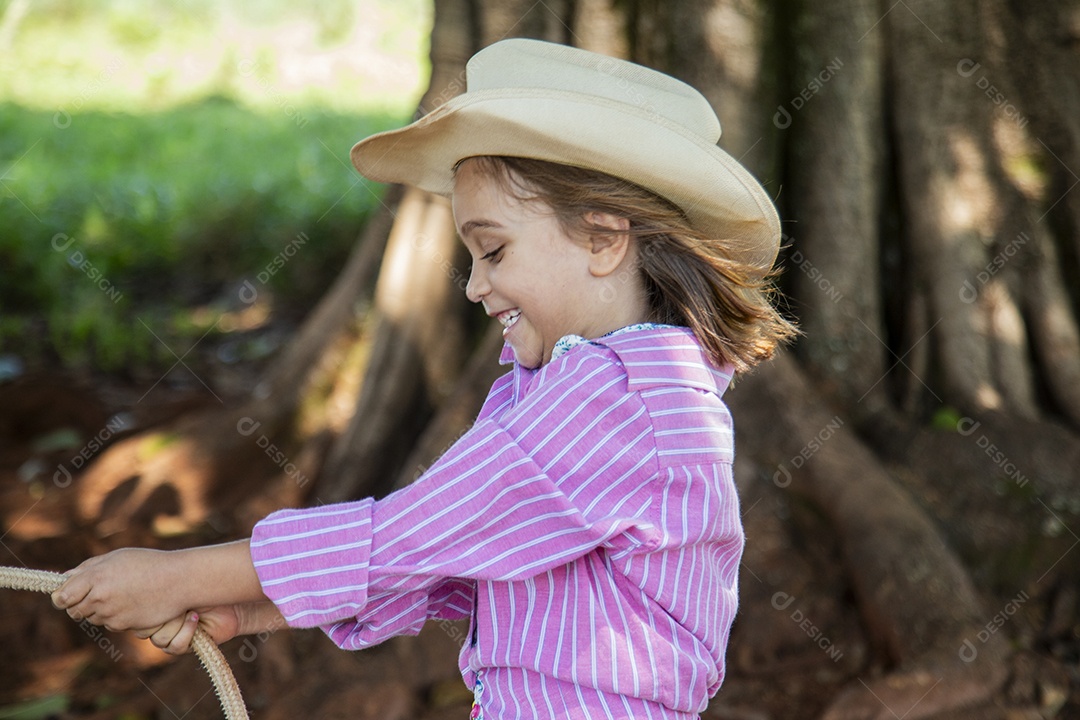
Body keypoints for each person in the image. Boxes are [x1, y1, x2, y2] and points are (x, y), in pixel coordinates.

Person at [52, 38, 796, 719]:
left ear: (602, 240)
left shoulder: (611, 400)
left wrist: (184, 577)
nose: (474, 286)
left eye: (494, 251)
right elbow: (464, 562)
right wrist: (251, 611)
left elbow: (415, 535)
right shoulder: (602, 389)